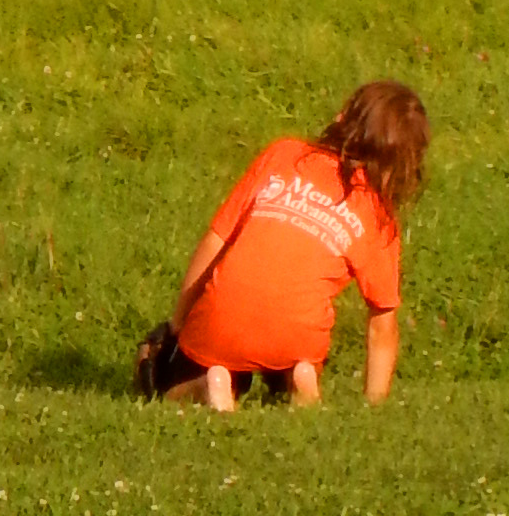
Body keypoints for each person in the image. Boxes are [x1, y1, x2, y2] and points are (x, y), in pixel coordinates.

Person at [135, 83, 430, 411]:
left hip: (222, 323)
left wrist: (179, 323)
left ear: (343, 118)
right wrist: (376, 405)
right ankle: (300, 380)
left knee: (168, 390)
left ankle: (210, 384)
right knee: (293, 345)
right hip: (296, 340)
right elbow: (382, 325)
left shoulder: (284, 155)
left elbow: (214, 242)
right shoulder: (378, 216)